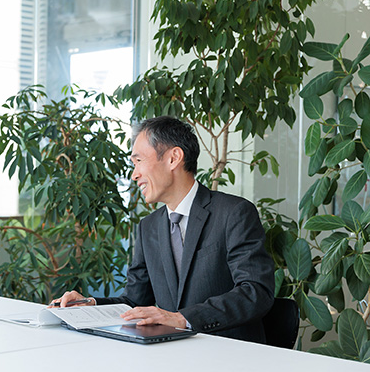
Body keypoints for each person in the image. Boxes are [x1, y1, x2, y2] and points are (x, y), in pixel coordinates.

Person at [51, 116, 275, 343]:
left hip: (231, 355)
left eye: (139, 161)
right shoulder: (149, 227)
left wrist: (182, 318)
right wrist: (89, 305)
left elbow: (255, 292)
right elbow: (134, 301)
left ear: (173, 158)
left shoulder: (234, 213)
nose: (134, 174)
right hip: (169, 357)